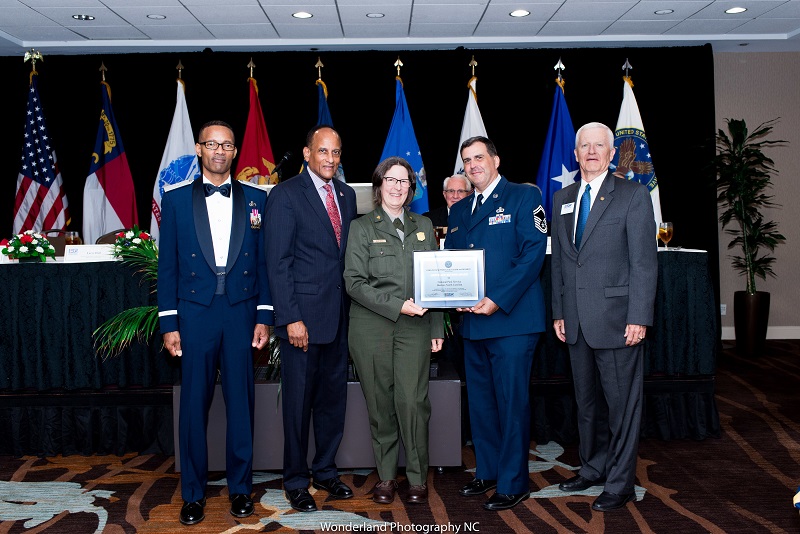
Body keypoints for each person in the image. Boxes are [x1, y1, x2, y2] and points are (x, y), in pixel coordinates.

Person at [157, 120, 273, 525]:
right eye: (211, 144)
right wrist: (169, 323)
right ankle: (193, 493)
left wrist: (264, 316)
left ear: (235, 151)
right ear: (199, 149)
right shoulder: (173, 201)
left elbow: (264, 265)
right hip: (194, 313)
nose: (219, 151)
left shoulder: (258, 198)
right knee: (193, 405)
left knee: (241, 404)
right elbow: (167, 266)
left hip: (241, 312)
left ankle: (241, 490)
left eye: (226, 144)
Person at [550, 122, 657, 512]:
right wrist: (559, 310)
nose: (592, 152)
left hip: (617, 320)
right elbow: (562, 261)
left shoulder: (632, 196)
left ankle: (621, 482)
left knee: (621, 406)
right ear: (575, 154)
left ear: (612, 154)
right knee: (587, 404)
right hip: (575, 321)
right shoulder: (562, 197)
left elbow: (644, 263)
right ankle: (592, 468)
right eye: (585, 146)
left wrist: (639, 317)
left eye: (600, 146)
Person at [445, 136, 548, 511]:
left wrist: (496, 299)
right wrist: (450, 296)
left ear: (495, 160)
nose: (473, 165)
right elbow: (452, 266)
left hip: (512, 322)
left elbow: (533, 255)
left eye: (479, 158)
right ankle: (487, 472)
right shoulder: (459, 212)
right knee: (482, 405)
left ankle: (514, 482)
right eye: (467, 160)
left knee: (511, 403)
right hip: (471, 325)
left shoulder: (524, 198)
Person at [264, 125, 357, 513]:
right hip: (302, 321)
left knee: (333, 402)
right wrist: (290, 319)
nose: (330, 159)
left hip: (339, 318)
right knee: (299, 406)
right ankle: (296, 480)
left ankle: (325, 470)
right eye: (323, 152)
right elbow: (278, 263)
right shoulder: (285, 195)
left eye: (335, 153)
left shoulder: (348, 195)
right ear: (306, 153)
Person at [343, 156, 444, 505]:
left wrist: (436, 326)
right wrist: (396, 304)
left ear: (412, 189)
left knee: (413, 402)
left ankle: (417, 477)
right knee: (380, 404)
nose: (397, 186)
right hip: (371, 328)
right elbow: (353, 283)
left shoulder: (425, 226)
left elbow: (434, 282)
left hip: (415, 328)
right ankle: (386, 477)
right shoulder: (361, 227)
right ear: (379, 185)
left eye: (404, 181)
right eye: (391, 179)